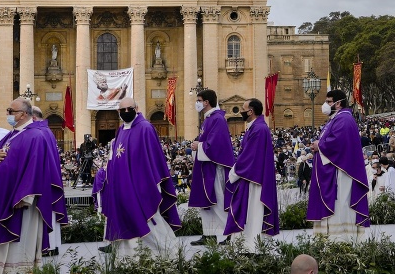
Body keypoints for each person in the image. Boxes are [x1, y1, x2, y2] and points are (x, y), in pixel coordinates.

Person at [0, 99, 67, 274]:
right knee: (10, 239)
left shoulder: (35, 136)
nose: (8, 114)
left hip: (23, 200)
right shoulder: (14, 134)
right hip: (6, 195)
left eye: (11, 111)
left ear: (23, 114)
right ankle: (9, 273)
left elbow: (35, 168)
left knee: (23, 236)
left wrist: (25, 196)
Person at [99, 97, 180, 257]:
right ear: (118, 112)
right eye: (123, 110)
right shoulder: (121, 130)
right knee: (128, 223)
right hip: (122, 188)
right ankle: (134, 259)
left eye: (130, 108)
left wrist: (152, 185)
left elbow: (154, 159)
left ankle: (170, 253)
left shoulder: (145, 128)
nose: (126, 112)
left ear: (136, 108)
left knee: (150, 222)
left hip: (142, 187)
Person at [307, 89, 370, 241]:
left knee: (341, 203)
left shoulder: (344, 119)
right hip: (334, 171)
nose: (326, 105)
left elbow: (338, 144)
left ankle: (341, 239)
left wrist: (319, 145)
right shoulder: (336, 118)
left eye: (328, 102)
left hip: (341, 173)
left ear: (338, 103)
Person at [224, 98, 279, 251]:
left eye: (243, 108)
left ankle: (252, 246)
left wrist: (235, 171)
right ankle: (245, 244)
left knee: (253, 212)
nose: (241, 110)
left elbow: (251, 155)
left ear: (251, 111)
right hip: (251, 176)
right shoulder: (255, 127)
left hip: (255, 179)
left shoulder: (259, 129)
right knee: (248, 211)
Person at [187, 89, 234, 246]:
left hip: (215, 167)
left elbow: (216, 145)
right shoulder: (208, 119)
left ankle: (230, 233)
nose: (197, 103)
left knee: (218, 201)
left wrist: (198, 145)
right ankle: (209, 234)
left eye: (199, 100)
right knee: (205, 203)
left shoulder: (217, 119)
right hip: (206, 166)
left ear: (206, 102)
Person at [31, 106, 67, 256]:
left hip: (43, 179)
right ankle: (52, 245)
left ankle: (49, 246)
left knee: (45, 211)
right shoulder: (46, 131)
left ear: (32, 117)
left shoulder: (38, 132)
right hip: (49, 177)